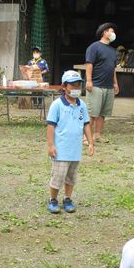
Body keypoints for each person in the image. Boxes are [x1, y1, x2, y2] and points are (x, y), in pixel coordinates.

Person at [46, 70, 94, 214]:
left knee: (71, 177)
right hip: (60, 150)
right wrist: (50, 145)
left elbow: (86, 123)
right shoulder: (57, 105)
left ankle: (67, 199)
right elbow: (50, 126)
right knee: (58, 176)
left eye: (78, 85)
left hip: (75, 150)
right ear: (64, 87)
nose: (76, 89)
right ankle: (52, 199)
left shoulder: (82, 105)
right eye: (72, 86)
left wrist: (91, 142)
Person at [85, 22, 119, 143]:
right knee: (92, 113)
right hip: (96, 85)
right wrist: (89, 81)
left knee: (103, 113)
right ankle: (85, 138)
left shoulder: (112, 50)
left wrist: (115, 83)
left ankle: (97, 135)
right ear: (104, 32)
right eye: (111, 31)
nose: (113, 33)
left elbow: (113, 68)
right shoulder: (94, 47)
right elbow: (89, 64)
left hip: (108, 86)